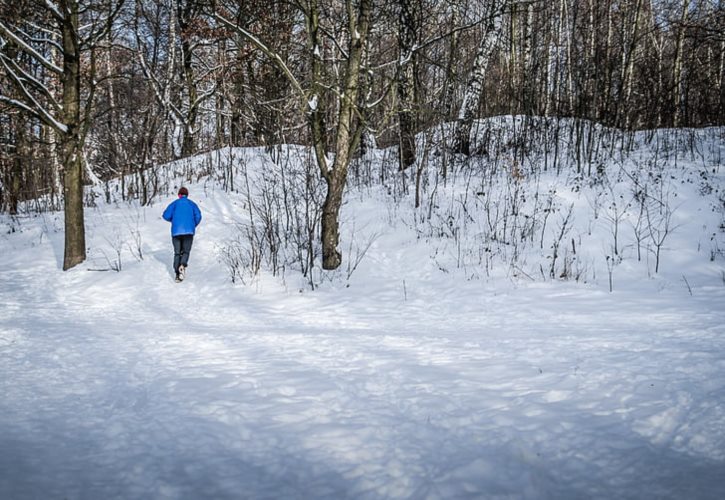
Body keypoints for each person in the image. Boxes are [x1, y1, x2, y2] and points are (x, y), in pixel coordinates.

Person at [162, 186, 202, 282]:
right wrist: (192, 225)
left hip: (176, 232)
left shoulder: (174, 204)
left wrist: (173, 220)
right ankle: (182, 265)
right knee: (186, 251)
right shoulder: (192, 204)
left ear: (179, 195)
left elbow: (165, 215)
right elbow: (198, 216)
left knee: (177, 253)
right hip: (189, 232)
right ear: (187, 195)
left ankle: (177, 275)